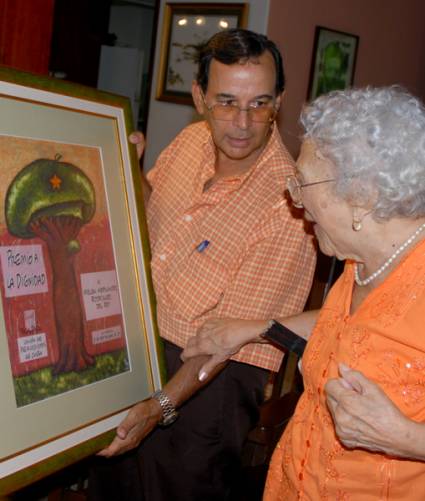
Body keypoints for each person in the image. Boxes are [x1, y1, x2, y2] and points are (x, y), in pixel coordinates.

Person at [94, 29, 316, 501]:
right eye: (226, 102)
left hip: (215, 376)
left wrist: (159, 407)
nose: (242, 122)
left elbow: (221, 344)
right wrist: (127, 168)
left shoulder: (289, 204)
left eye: (259, 103)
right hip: (143, 342)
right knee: (112, 485)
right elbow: (153, 216)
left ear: (279, 100)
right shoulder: (190, 141)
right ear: (199, 98)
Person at [182, 86, 425, 499]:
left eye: (303, 182)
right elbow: (350, 329)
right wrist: (256, 328)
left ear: (361, 197)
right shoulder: (362, 263)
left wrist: (404, 437)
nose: (294, 199)